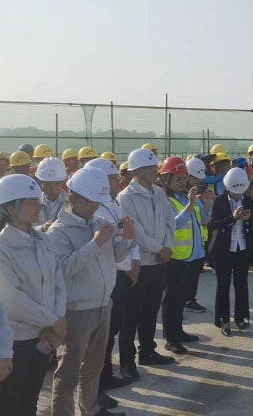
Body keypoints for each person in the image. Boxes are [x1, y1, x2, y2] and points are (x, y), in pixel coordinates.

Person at [49, 166, 135, 416]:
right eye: (89, 201)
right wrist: (94, 244)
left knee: (94, 366)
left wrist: (127, 239)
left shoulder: (99, 222)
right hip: (76, 311)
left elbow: (116, 255)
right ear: (72, 196)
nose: (95, 206)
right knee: (67, 373)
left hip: (103, 305)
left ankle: (90, 409)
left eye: (98, 201)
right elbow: (61, 271)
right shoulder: (58, 231)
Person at [0, 174, 67, 415]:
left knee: (31, 399)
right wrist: (53, 320)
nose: (38, 205)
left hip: (45, 335)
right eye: (31, 201)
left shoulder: (42, 240)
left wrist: (56, 321)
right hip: (17, 341)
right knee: (11, 404)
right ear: (10, 209)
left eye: (37, 200)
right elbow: (12, 299)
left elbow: (58, 281)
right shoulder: (3, 247)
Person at [117, 148, 176, 381]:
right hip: (139, 264)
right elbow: (136, 232)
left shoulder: (159, 193)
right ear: (137, 170)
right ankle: (127, 361)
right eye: (151, 168)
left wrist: (167, 246)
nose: (155, 171)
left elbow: (170, 221)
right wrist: (158, 248)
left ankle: (148, 351)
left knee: (151, 310)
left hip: (159, 262)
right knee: (130, 314)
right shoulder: (126, 198)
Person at [84, 158, 140, 396]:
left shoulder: (114, 204)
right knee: (102, 336)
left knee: (112, 329)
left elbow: (129, 234)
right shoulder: (96, 210)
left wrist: (135, 262)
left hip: (124, 274)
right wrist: (127, 267)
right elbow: (105, 247)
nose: (119, 182)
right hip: (113, 275)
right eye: (114, 179)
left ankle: (106, 376)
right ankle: (98, 384)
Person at [160, 157, 207, 355]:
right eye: (177, 178)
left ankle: (178, 331)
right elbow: (175, 224)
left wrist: (205, 203)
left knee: (180, 299)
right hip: (175, 258)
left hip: (192, 256)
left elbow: (203, 220)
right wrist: (190, 204)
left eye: (184, 177)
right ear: (167, 179)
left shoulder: (186, 197)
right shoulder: (167, 201)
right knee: (172, 299)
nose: (182, 182)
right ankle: (170, 339)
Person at [208, 168, 253, 336]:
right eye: (234, 191)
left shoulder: (247, 200)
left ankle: (241, 318)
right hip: (223, 249)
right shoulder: (219, 201)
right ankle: (224, 321)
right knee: (223, 285)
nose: (237, 195)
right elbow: (213, 224)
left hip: (242, 248)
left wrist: (249, 218)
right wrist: (232, 219)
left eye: (240, 191)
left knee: (242, 285)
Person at [183, 157, 215, 313]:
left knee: (194, 275)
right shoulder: (180, 197)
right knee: (182, 278)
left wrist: (207, 201)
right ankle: (182, 301)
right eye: (195, 178)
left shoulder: (194, 196)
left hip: (197, 245)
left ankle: (190, 300)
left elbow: (204, 219)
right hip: (183, 247)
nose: (197, 182)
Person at [34, 157, 69, 231]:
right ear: (39, 183)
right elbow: (25, 230)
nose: (52, 190)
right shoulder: (32, 203)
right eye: (47, 185)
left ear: (63, 182)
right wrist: (41, 228)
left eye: (56, 184)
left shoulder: (72, 203)